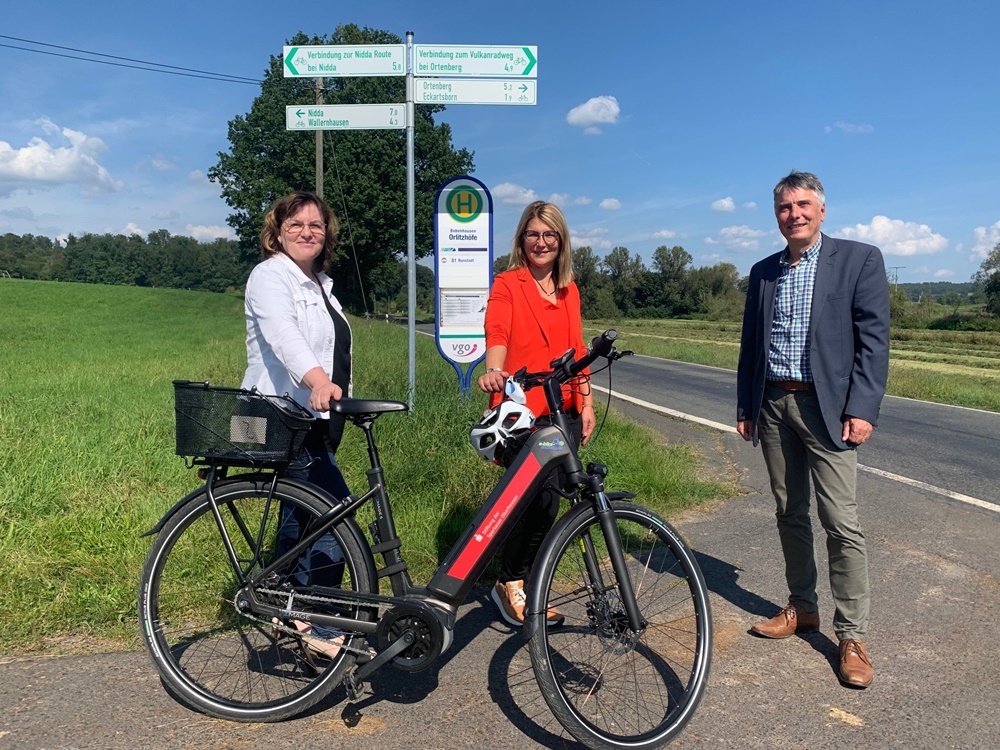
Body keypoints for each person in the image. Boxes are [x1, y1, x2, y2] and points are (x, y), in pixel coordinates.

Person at [736, 171, 890, 688]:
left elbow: (874, 340)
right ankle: (802, 607)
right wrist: (747, 405)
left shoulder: (859, 259)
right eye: (784, 207)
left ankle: (852, 635)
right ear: (775, 214)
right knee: (788, 512)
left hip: (830, 409)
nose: (794, 214)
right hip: (774, 403)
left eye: (803, 205)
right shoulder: (762, 271)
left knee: (841, 522)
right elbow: (750, 347)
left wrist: (862, 407)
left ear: (821, 210)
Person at [242, 190, 353, 657]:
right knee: (335, 511)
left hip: (312, 419)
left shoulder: (320, 283)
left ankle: (286, 604)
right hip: (277, 414)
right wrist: (318, 380)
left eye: (316, 225)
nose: (308, 232)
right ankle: (314, 621)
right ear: (278, 232)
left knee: (302, 515)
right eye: (296, 225)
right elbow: (284, 335)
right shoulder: (270, 277)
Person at [477, 200, 596, 627]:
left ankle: (527, 580)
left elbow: (577, 350)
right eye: (533, 234)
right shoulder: (508, 283)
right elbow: (499, 330)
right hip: (520, 413)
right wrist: (494, 369)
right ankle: (510, 583)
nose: (541, 242)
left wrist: (586, 403)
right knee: (540, 497)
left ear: (560, 241)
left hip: (561, 410)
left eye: (549, 234)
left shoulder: (569, 289)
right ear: (522, 239)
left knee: (554, 498)